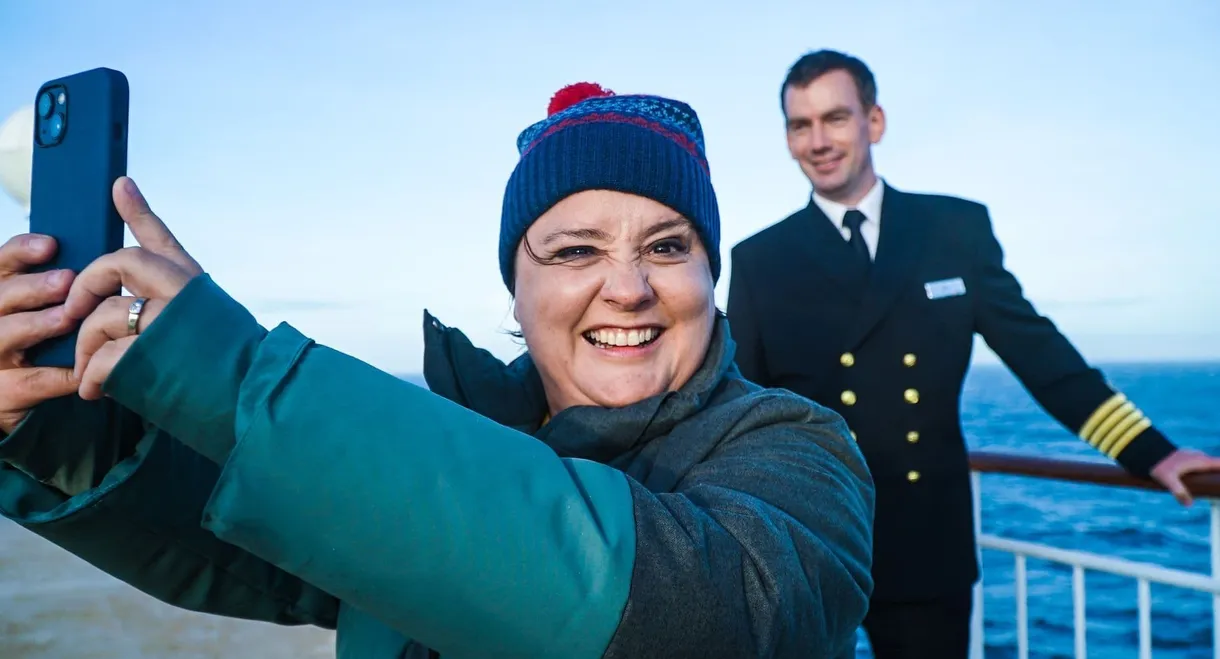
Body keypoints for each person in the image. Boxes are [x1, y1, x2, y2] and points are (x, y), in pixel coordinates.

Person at [0, 82, 875, 659]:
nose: (629, 286)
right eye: (575, 250)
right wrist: (52, 423)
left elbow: (710, 614)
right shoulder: (457, 431)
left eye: (668, 245)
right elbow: (237, 530)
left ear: (709, 275)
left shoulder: (800, 449)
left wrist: (237, 379)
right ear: (517, 292)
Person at [725, 49, 1220, 659]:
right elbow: (742, 407)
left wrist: (1154, 453)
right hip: (812, 539)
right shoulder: (760, 260)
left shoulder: (952, 229)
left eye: (835, 118)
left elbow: (1040, 355)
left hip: (925, 537)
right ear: (787, 138)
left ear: (873, 122)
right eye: (801, 125)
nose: (818, 140)